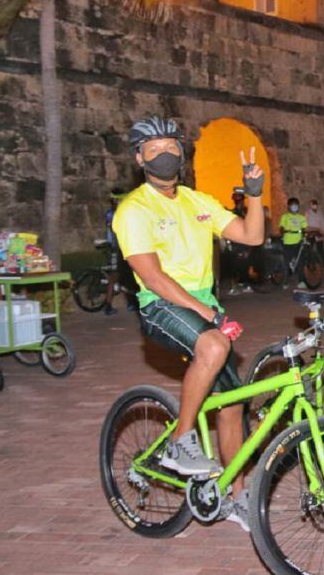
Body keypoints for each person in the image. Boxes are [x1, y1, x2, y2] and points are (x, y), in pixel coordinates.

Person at [112, 116, 265, 531]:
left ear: (182, 152)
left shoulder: (199, 202)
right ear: (138, 157)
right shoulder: (133, 210)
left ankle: (235, 496)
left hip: (203, 306)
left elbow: (251, 236)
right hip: (160, 304)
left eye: (171, 146)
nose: (165, 154)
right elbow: (154, 277)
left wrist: (253, 194)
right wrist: (204, 312)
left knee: (233, 404)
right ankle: (181, 441)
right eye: (154, 148)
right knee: (213, 346)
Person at [278, 197, 307, 285]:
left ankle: (301, 281)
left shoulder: (301, 217)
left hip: (298, 242)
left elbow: (304, 228)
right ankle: (285, 281)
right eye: (293, 205)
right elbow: (281, 227)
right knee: (287, 262)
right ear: (289, 206)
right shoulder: (285, 217)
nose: (295, 207)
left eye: (296, 205)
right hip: (288, 242)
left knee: (300, 262)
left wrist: (304, 237)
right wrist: (283, 231)